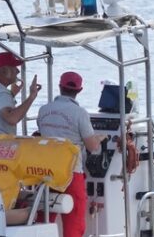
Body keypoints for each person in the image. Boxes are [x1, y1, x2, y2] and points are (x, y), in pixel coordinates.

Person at [37, 72, 107, 237]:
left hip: (45, 173)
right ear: (79, 90)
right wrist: (100, 138)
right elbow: (93, 147)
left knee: (44, 218)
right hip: (71, 172)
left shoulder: (43, 110)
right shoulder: (80, 113)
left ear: (60, 87)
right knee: (74, 223)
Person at [0, 51, 42, 135]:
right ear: (4, 71)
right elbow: (12, 118)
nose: (17, 71)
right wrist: (32, 96)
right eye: (14, 67)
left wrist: (12, 94)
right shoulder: (1, 93)